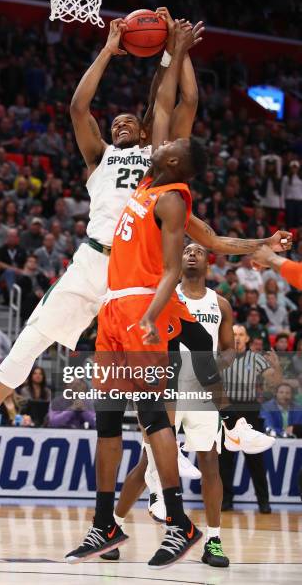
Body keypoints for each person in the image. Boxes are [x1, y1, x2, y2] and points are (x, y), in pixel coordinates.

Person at [0, 13, 291, 479]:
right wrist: (110, 48)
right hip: (92, 261)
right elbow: (79, 109)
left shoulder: (159, 168)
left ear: (145, 133)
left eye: (129, 121)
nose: (120, 123)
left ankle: (214, 437)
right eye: (116, 122)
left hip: (137, 270)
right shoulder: (100, 158)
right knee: (30, 341)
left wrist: (173, 50)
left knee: (176, 353)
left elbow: (171, 104)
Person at [113, 243, 235, 567]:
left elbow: (229, 350)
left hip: (202, 392)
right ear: (177, 260)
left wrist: (209, 370)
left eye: (198, 250)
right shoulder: (164, 296)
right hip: (165, 387)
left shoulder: (220, 304)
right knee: (147, 463)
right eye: (186, 250)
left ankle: (213, 541)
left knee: (210, 463)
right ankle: (115, 526)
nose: (192, 254)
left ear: (208, 261)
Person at [219, 325, 279, 513]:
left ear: (247, 339)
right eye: (233, 334)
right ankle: (226, 500)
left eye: (240, 335)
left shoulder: (256, 358)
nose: (236, 338)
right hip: (226, 410)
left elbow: (274, 382)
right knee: (225, 461)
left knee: (256, 460)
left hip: (250, 411)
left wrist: (276, 367)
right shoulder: (221, 357)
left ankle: (263, 501)